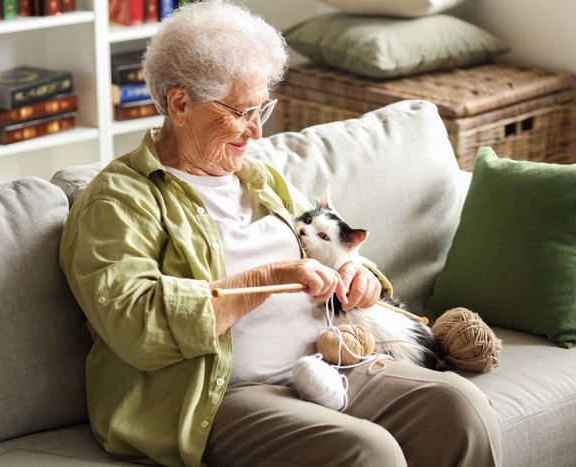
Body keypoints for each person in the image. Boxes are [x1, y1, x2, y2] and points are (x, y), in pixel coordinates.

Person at [59, 1, 502, 466]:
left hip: (331, 360)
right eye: (241, 111)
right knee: (369, 452)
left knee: (460, 406)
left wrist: (357, 273)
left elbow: (330, 248)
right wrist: (261, 280)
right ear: (180, 103)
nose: (255, 130)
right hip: (222, 394)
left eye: (262, 108)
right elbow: (134, 325)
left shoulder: (260, 178)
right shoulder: (119, 202)